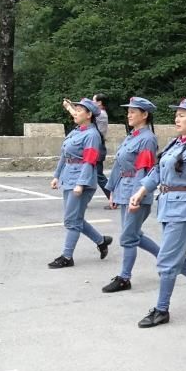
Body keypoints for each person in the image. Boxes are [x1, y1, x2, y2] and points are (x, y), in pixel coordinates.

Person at [129, 98, 186, 328]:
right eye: (177, 114)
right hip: (167, 205)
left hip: (184, 208)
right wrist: (141, 191)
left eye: (183, 115)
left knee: (166, 261)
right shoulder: (176, 142)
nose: (177, 118)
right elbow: (156, 171)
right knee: (176, 258)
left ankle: (162, 309)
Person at [101, 97, 160, 292]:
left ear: (145, 115)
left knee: (128, 237)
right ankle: (168, 261)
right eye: (129, 111)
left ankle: (125, 278)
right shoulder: (131, 136)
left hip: (136, 192)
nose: (129, 114)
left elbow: (144, 171)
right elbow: (119, 165)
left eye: (133, 111)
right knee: (134, 235)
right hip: (124, 189)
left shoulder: (147, 139)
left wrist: (138, 196)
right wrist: (112, 191)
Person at [48, 97, 113, 268]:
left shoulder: (92, 135)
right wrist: (57, 176)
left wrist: (81, 183)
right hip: (69, 177)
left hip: (81, 180)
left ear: (89, 114)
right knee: (74, 218)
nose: (75, 113)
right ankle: (101, 241)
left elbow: (90, 161)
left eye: (78, 111)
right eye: (74, 110)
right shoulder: (77, 131)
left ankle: (67, 256)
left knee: (71, 220)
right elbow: (65, 154)